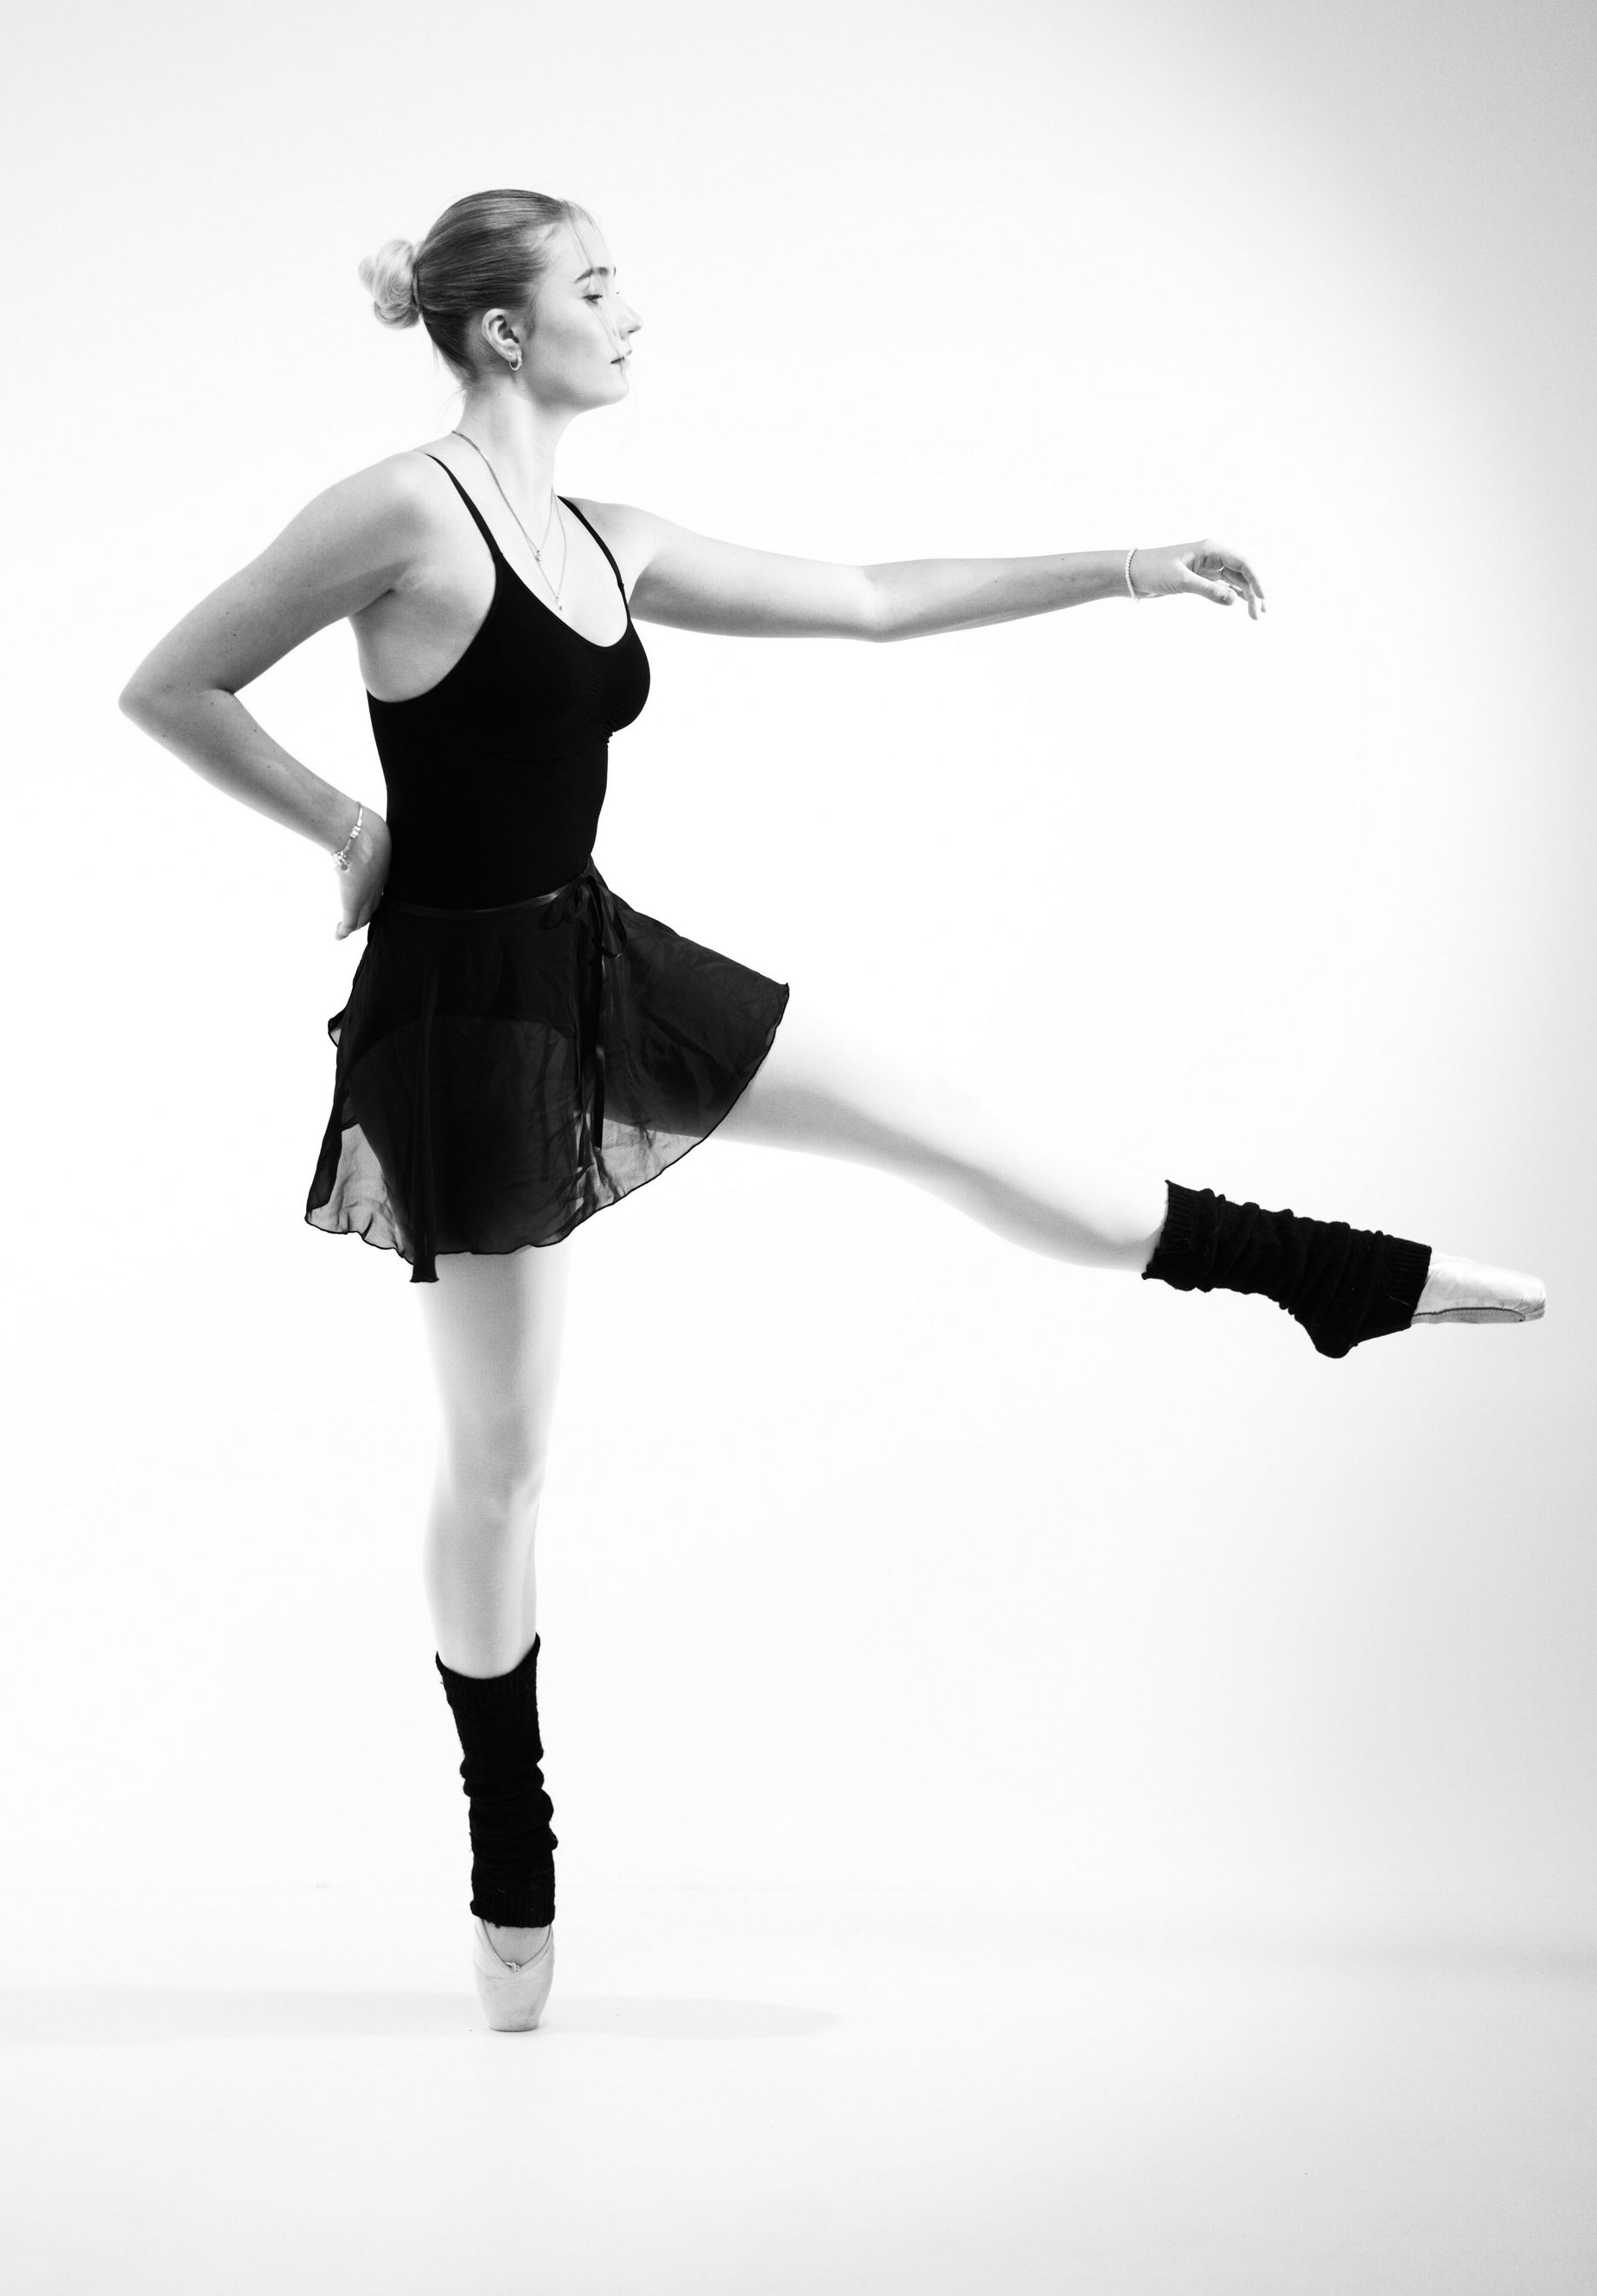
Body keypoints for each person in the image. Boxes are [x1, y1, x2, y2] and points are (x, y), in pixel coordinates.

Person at [118, 185, 1546, 2033]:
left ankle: (1320, 1274)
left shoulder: (606, 537)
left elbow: (870, 601)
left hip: (599, 956)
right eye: (597, 284)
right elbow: (171, 681)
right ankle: (509, 1842)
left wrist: (1127, 565)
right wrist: (348, 828)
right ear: (504, 331)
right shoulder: (399, 508)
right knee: (504, 1457)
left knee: (942, 1119)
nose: (633, 311)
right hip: (466, 1024)